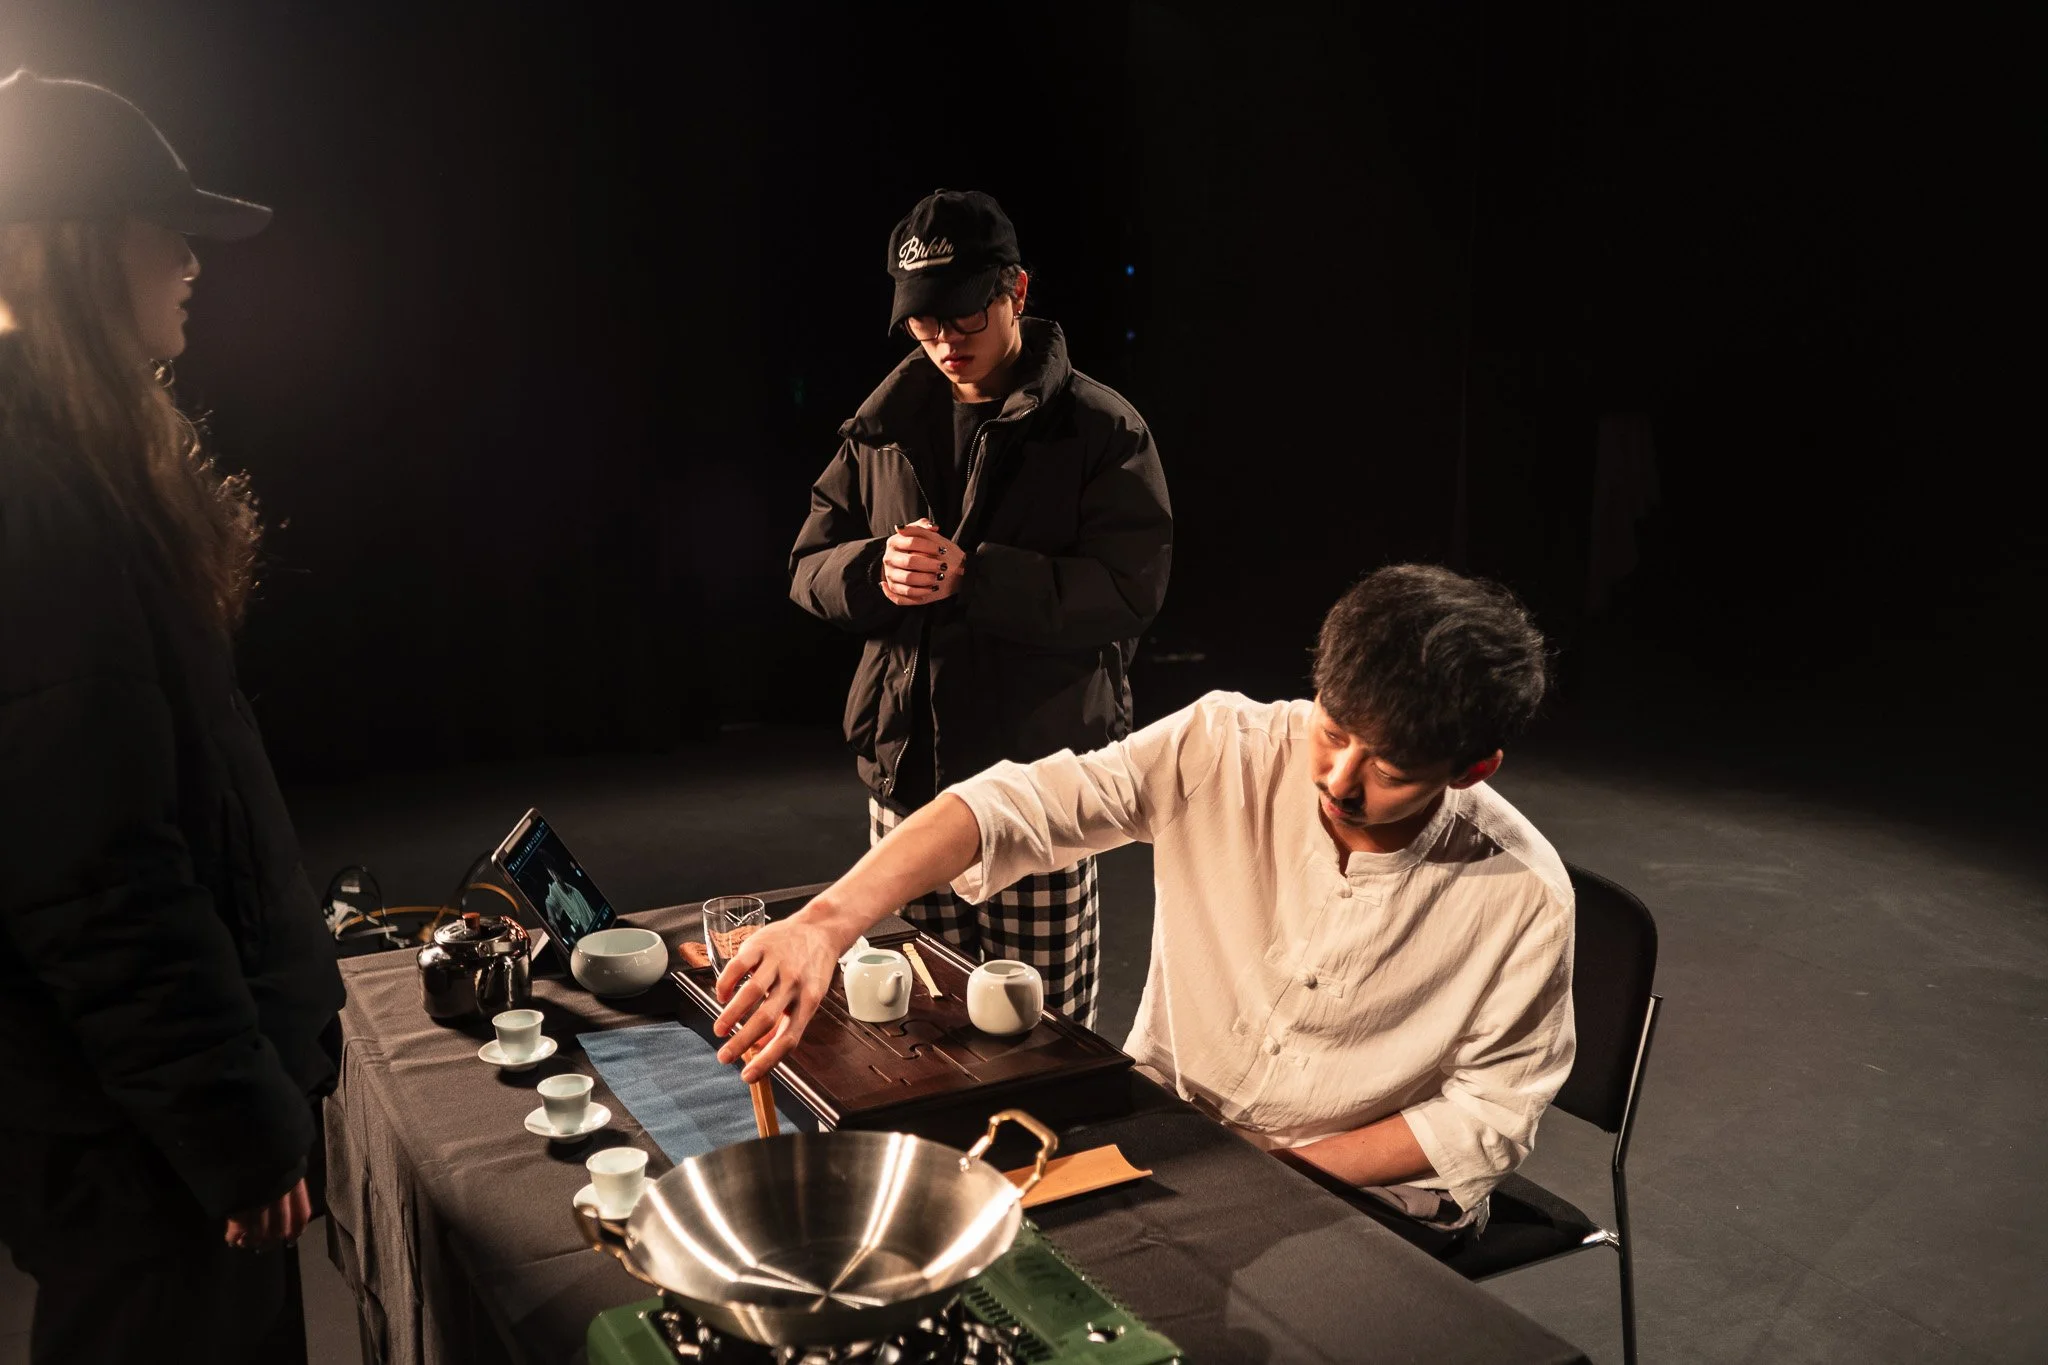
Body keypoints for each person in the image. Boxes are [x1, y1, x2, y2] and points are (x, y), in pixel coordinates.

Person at [716, 564, 1573, 1251]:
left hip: (1357, 1189)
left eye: (1389, 769)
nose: (1340, 779)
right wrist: (826, 922)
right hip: (1173, 1126)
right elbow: (1018, 805)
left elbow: (1487, 1113)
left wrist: (1276, 1165)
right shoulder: (1227, 743)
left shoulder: (1527, 896)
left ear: (1471, 768)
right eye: (1333, 730)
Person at [0, 72, 344, 1362]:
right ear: (83, 247)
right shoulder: (34, 500)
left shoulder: (72, 470)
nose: (194, 262)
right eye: (168, 229)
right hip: (146, 1157)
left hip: (150, 1138)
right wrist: (233, 1127)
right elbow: (95, 878)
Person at [789, 188, 1172, 1026]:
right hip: (908, 784)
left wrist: (979, 578)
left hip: (1039, 787)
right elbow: (807, 565)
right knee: (914, 1026)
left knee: (1045, 1031)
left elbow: (1131, 590)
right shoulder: (883, 425)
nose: (945, 342)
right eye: (924, 324)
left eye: (964, 316)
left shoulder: (1102, 429)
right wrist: (876, 570)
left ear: (1017, 291)